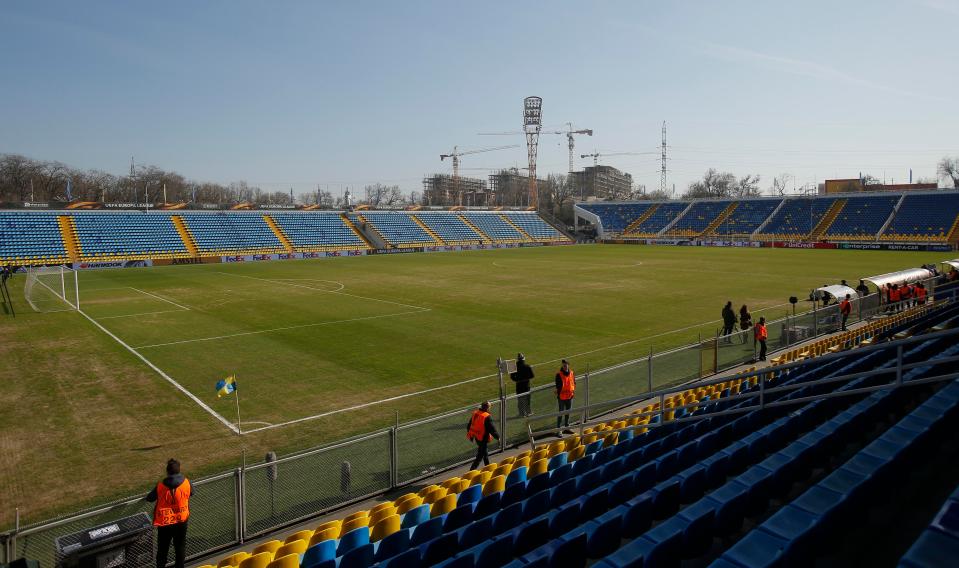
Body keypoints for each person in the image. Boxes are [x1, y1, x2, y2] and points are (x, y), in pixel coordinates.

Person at [147, 459, 192, 568]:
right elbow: (192, 492)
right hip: (181, 521)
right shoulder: (186, 482)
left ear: (167, 472)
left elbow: (150, 498)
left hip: (165, 522)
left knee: (162, 549)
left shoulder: (161, 486)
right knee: (180, 547)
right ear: (179, 470)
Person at [466, 401, 499, 470]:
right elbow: (491, 429)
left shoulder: (476, 413)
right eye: (490, 406)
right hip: (482, 437)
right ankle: (471, 472)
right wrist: (497, 437)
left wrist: (471, 433)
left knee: (485, 453)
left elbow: (469, 425)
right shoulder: (486, 416)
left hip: (476, 436)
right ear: (487, 408)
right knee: (480, 456)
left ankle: (488, 468)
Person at [555, 359, 575, 434]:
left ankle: (567, 427)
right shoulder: (559, 374)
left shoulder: (572, 373)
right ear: (562, 366)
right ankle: (558, 430)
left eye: (566, 365)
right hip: (562, 398)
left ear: (568, 365)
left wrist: (572, 391)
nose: (565, 366)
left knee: (568, 412)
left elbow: (573, 382)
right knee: (561, 413)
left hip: (570, 396)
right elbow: (558, 385)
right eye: (564, 365)